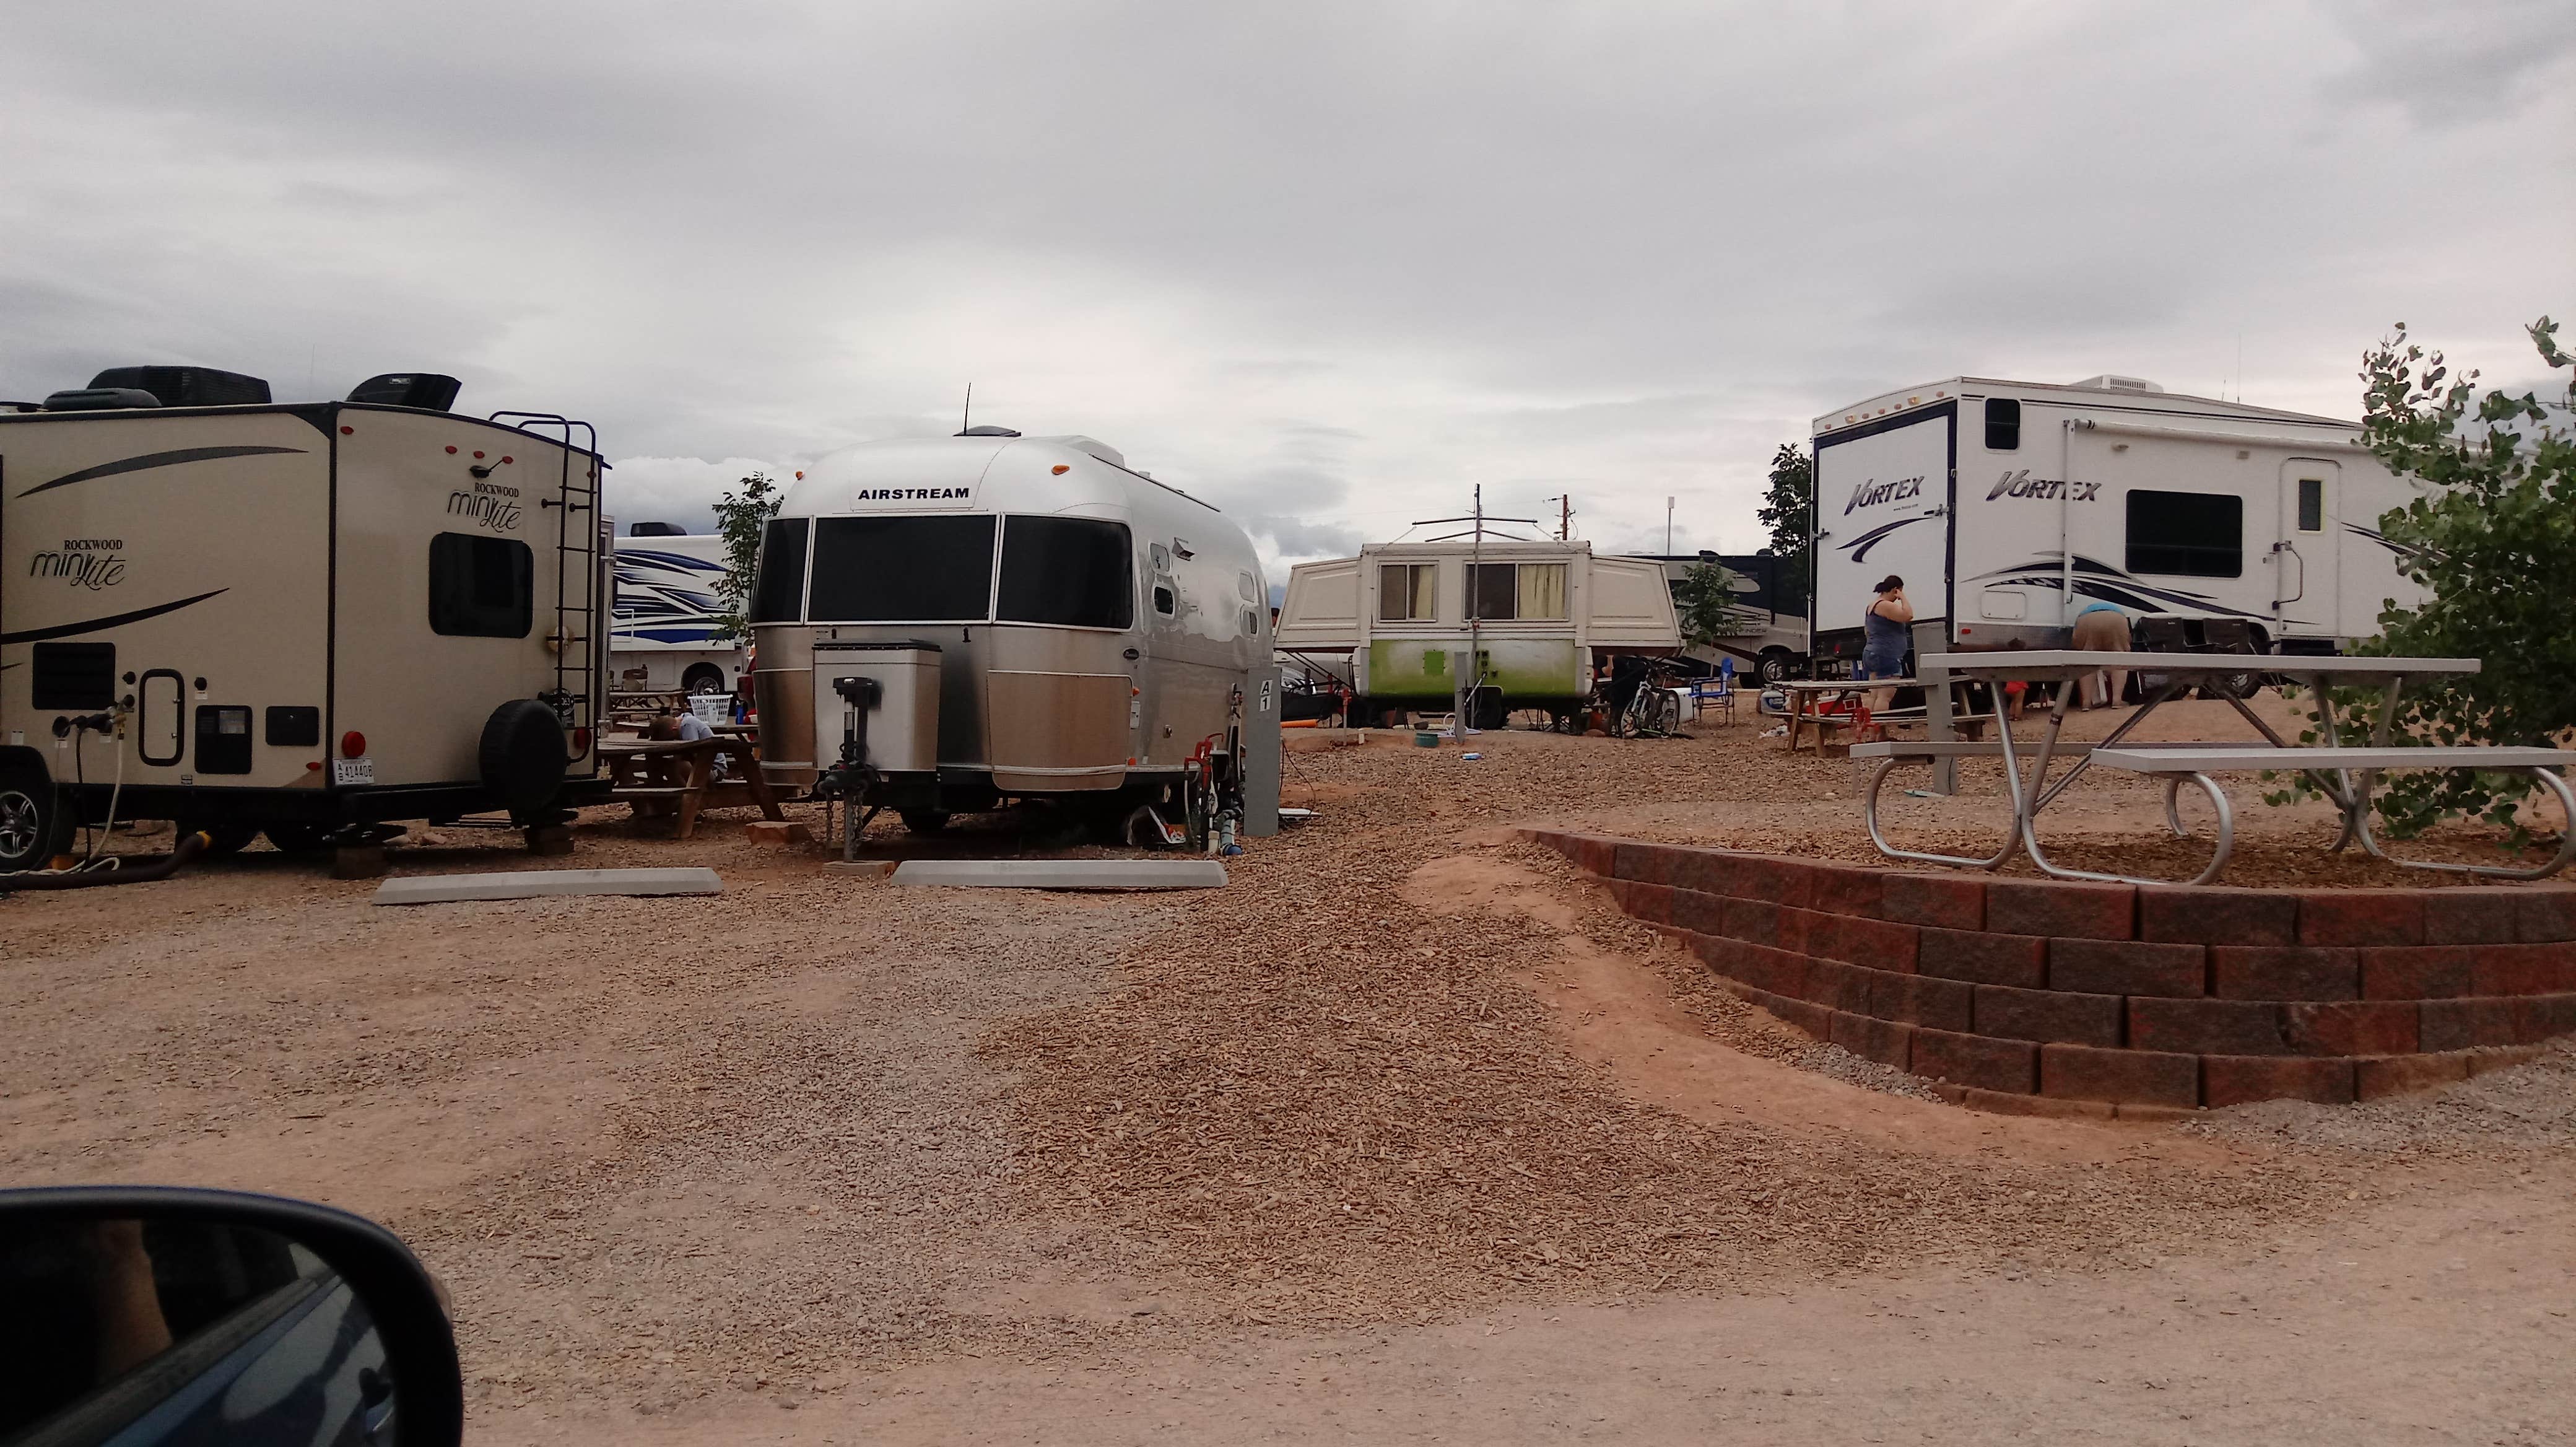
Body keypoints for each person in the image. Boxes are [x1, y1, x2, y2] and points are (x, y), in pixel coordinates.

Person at [1859, 575, 1913, 728]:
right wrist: (1903, 598)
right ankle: (1880, 733)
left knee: (1874, 695)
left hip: (1873, 652)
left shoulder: (1872, 605)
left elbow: (1867, 631)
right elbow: (1908, 615)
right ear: (1895, 590)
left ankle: (1873, 734)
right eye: (1898, 593)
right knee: (1885, 697)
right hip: (1887, 655)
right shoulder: (1885, 605)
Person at [2069, 600, 2132, 709]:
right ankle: (2117, 700)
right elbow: (2129, 641)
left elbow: (2076, 643)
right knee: (2119, 658)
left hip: (2086, 618)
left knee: (2087, 660)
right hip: (2116, 617)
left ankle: (2086, 703)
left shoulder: (2086, 610)